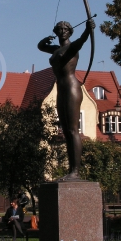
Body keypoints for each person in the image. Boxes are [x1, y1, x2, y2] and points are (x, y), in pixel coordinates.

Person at [37, 18, 95, 180]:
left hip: (71, 88)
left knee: (72, 130)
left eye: (65, 29)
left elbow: (83, 39)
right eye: (59, 29)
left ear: (70, 31)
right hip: (61, 90)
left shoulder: (73, 47)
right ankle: (72, 170)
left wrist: (88, 29)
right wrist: (44, 40)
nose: (61, 31)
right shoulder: (56, 49)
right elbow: (41, 47)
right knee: (66, 131)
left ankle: (75, 171)